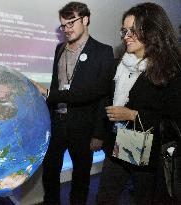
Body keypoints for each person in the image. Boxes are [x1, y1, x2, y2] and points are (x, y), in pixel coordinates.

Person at [96, 2, 181, 205]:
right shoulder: (120, 65)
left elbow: (174, 118)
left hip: (151, 153)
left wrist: (133, 115)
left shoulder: (171, 70)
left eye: (133, 30)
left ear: (152, 30)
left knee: (145, 199)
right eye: (124, 31)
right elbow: (102, 98)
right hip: (119, 143)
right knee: (104, 198)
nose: (126, 36)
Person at [34, 2, 114, 205]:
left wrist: (98, 133)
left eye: (71, 23)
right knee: (50, 172)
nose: (67, 29)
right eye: (63, 25)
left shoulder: (103, 52)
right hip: (57, 124)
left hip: (84, 127)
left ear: (85, 19)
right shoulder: (59, 49)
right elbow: (57, 83)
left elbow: (102, 95)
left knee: (80, 176)